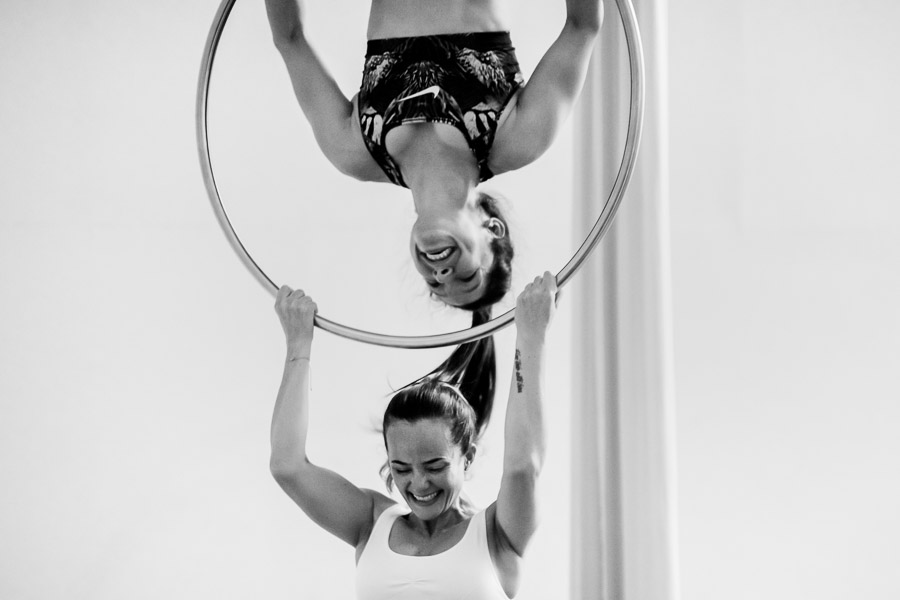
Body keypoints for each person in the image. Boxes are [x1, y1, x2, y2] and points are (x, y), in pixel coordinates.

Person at [264, 0, 601, 311]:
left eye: (434, 283)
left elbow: (290, 39)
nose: (441, 273)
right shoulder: (517, 139)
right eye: (467, 278)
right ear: (493, 229)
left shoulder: (354, 152)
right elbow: (582, 28)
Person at [270, 272, 558, 599]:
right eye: (402, 468)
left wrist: (532, 336)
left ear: (468, 457)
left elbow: (522, 466)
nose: (419, 485)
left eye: (435, 466)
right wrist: (298, 345)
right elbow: (287, 465)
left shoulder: (497, 534)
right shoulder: (371, 521)